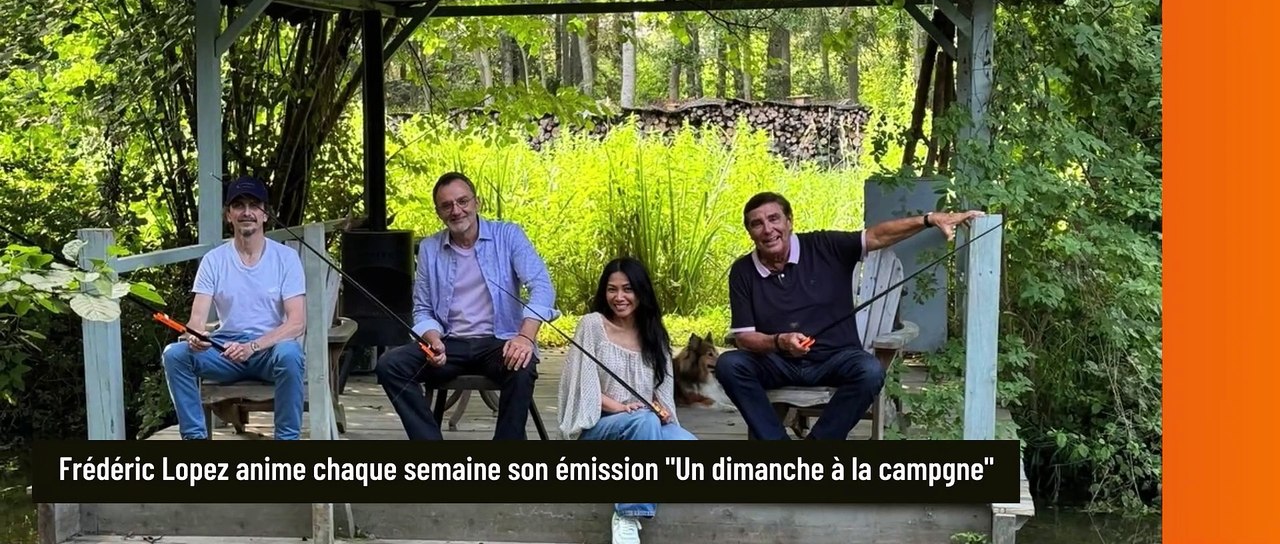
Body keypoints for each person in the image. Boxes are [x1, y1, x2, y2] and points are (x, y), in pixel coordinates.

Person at [714, 192, 984, 440]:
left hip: (835, 359)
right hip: (777, 363)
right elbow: (745, 338)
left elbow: (877, 236)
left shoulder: (824, 246)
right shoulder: (743, 271)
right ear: (749, 232)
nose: (768, 229)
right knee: (729, 365)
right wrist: (780, 342)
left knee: (870, 370)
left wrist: (929, 219)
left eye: (774, 219)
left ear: (789, 221)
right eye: (757, 223)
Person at [375, 171, 557, 440]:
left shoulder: (508, 235)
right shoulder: (429, 248)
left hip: (500, 340)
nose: (456, 210)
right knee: (390, 365)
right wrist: (432, 339)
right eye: (447, 205)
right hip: (450, 343)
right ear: (438, 212)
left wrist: (525, 337)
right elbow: (423, 308)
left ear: (477, 202)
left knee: (522, 363)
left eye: (463, 201)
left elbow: (542, 286)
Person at [557, 257, 696, 544]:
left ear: (641, 292)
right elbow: (581, 386)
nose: (619, 297)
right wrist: (620, 407)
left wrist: (662, 410)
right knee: (643, 421)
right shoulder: (592, 325)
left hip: (643, 424)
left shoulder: (654, 334)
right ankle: (628, 514)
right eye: (612, 289)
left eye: (628, 289)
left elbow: (661, 390)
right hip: (598, 427)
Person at [160, 176, 307, 440]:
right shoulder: (213, 261)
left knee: (290, 353)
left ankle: (286, 440)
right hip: (224, 351)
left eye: (254, 205)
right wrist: (194, 337)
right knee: (174, 355)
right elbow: (196, 321)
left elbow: (296, 323)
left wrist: (253, 347)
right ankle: (195, 438)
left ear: (265, 214)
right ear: (229, 215)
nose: (247, 212)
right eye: (239, 205)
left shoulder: (286, 258)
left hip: (268, 351)